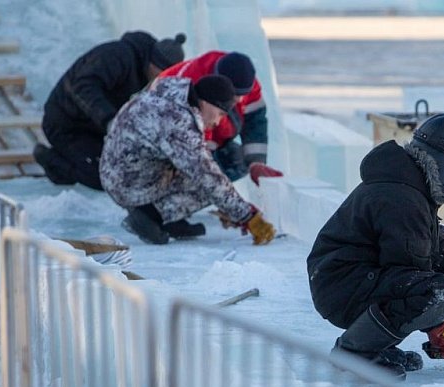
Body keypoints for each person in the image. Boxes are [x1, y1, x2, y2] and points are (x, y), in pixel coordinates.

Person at [307, 113, 444, 378]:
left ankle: (375, 346)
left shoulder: (409, 185)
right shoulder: (402, 198)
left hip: (347, 279)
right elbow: (413, 272)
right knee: (440, 291)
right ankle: (355, 353)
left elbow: (436, 250)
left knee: (442, 286)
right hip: (341, 286)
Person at [100, 74, 277, 246]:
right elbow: (207, 176)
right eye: (220, 114)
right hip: (128, 184)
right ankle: (151, 215)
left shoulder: (171, 93)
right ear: (207, 103)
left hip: (118, 169)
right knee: (212, 179)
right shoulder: (178, 121)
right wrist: (247, 216)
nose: (218, 122)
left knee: (206, 171)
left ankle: (169, 219)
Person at [34, 31, 187, 191]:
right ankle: (50, 159)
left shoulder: (153, 81)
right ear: (152, 62)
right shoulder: (117, 55)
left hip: (97, 130)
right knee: (104, 177)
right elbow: (82, 87)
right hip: (66, 123)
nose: (159, 79)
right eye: (159, 72)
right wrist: (109, 119)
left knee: (128, 173)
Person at [159, 51, 283, 184]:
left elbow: (255, 121)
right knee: (198, 181)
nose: (240, 100)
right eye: (235, 95)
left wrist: (256, 162)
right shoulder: (187, 85)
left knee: (237, 162)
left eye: (243, 95)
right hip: (169, 145)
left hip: (215, 141)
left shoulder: (245, 80)